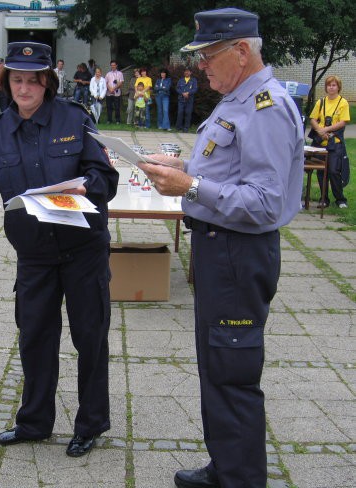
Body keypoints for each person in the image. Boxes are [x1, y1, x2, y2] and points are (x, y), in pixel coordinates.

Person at [0, 41, 118, 458]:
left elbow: (105, 177)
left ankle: (90, 424)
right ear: (6, 81)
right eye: (17, 79)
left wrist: (87, 185)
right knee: (35, 339)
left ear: (47, 82)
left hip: (84, 252)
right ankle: (34, 422)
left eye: (33, 80)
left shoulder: (75, 119)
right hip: (35, 257)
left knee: (90, 338)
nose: (25, 88)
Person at [138, 8, 303, 488]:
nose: (200, 68)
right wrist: (184, 163)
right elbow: (232, 169)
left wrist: (189, 185)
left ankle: (241, 479)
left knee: (232, 372)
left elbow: (265, 203)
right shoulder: (238, 97)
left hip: (239, 253)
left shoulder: (265, 108)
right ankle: (226, 466)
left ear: (242, 51)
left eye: (209, 56)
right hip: (218, 250)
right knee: (217, 365)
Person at [309, 75, 350, 209]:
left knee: (333, 171)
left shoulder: (343, 102)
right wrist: (320, 130)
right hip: (321, 143)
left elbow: (343, 122)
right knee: (321, 172)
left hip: (335, 143)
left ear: (338, 87)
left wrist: (327, 129)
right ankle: (324, 199)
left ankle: (340, 199)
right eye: (329, 85)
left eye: (334, 85)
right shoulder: (320, 102)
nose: (331, 87)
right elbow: (313, 119)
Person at [176, 67, 198, 133]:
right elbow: (177, 88)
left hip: (189, 100)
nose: (186, 72)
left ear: (191, 73)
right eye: (185, 71)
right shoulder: (181, 80)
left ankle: (186, 128)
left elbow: (195, 89)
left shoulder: (194, 80)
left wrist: (188, 93)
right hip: (181, 99)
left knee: (188, 113)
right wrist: (182, 93)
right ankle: (178, 127)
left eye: (188, 71)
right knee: (180, 112)